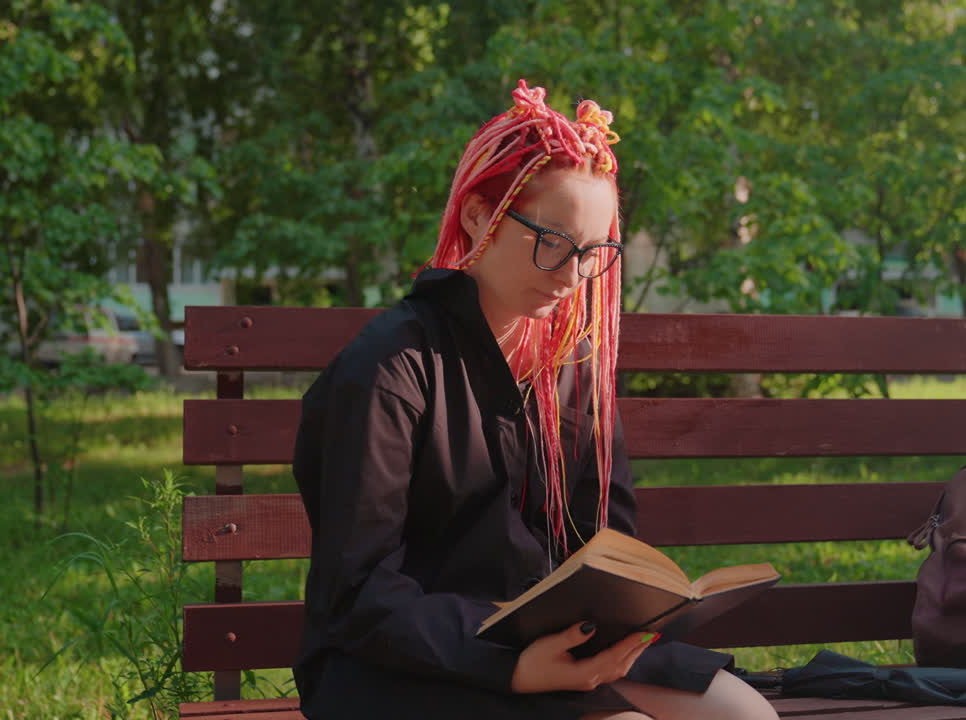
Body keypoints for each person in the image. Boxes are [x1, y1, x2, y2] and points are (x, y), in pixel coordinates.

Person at [292, 80, 778, 720]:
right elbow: (359, 593)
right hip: (401, 661)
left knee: (744, 715)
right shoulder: (391, 368)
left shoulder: (573, 364)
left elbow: (607, 539)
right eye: (553, 242)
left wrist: (623, 619)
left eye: (594, 252)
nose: (573, 276)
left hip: (558, 642)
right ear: (477, 216)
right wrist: (513, 668)